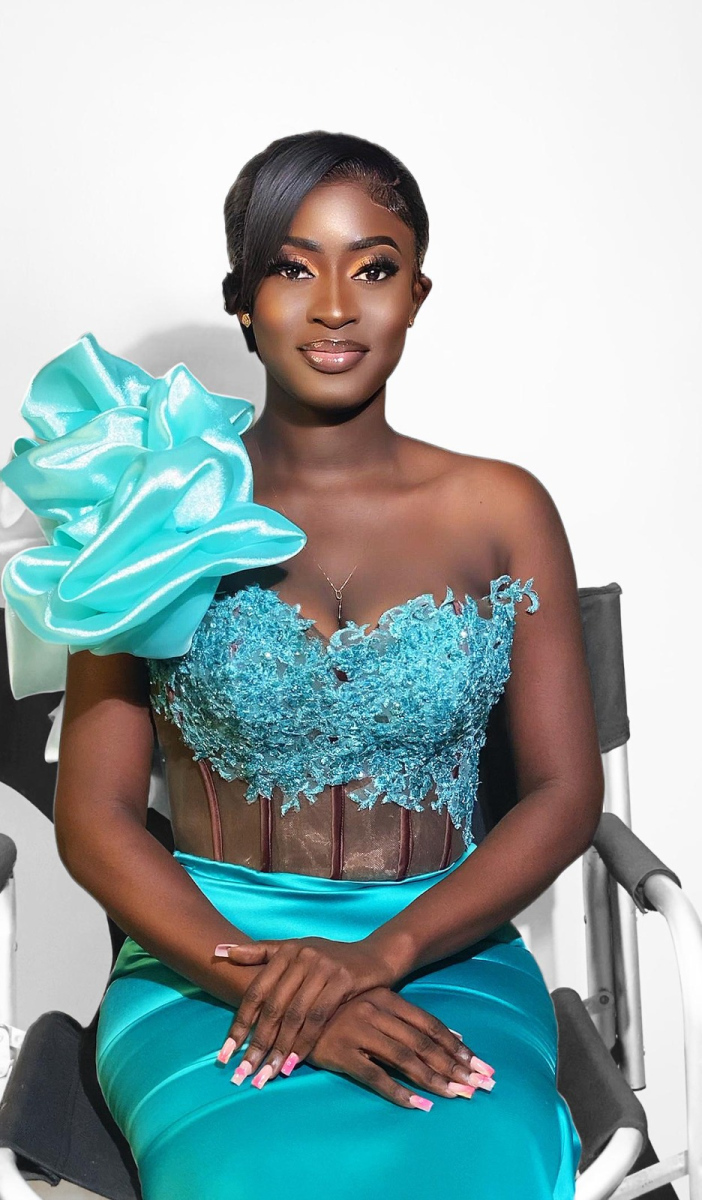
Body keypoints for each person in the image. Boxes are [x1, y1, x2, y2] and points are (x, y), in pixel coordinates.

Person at [0, 130, 603, 1199]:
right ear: (241, 299)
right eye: (292, 267)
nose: (334, 307)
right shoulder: (156, 508)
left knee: (480, 1161)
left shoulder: (503, 509)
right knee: (254, 1175)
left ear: (416, 296)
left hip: (447, 957)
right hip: (206, 964)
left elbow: (563, 792)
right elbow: (94, 816)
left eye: (373, 268)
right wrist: (280, 992)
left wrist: (379, 958)